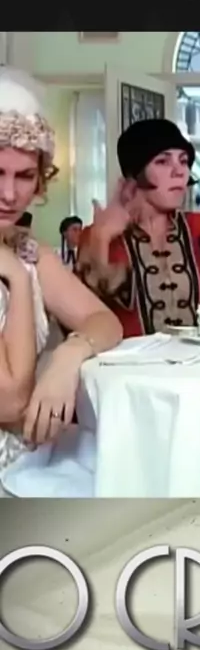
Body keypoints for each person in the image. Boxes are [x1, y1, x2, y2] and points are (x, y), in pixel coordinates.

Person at [0, 67, 122, 483]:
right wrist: (18, 280)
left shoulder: (30, 252)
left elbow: (105, 321)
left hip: (31, 461)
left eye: (24, 176)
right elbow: (11, 401)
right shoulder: (22, 263)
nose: (10, 194)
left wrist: (69, 355)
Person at [77, 119, 200, 337]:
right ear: (135, 174)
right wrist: (100, 239)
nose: (179, 171)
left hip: (199, 358)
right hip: (128, 360)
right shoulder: (100, 236)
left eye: (183, 161)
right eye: (162, 161)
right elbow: (81, 319)